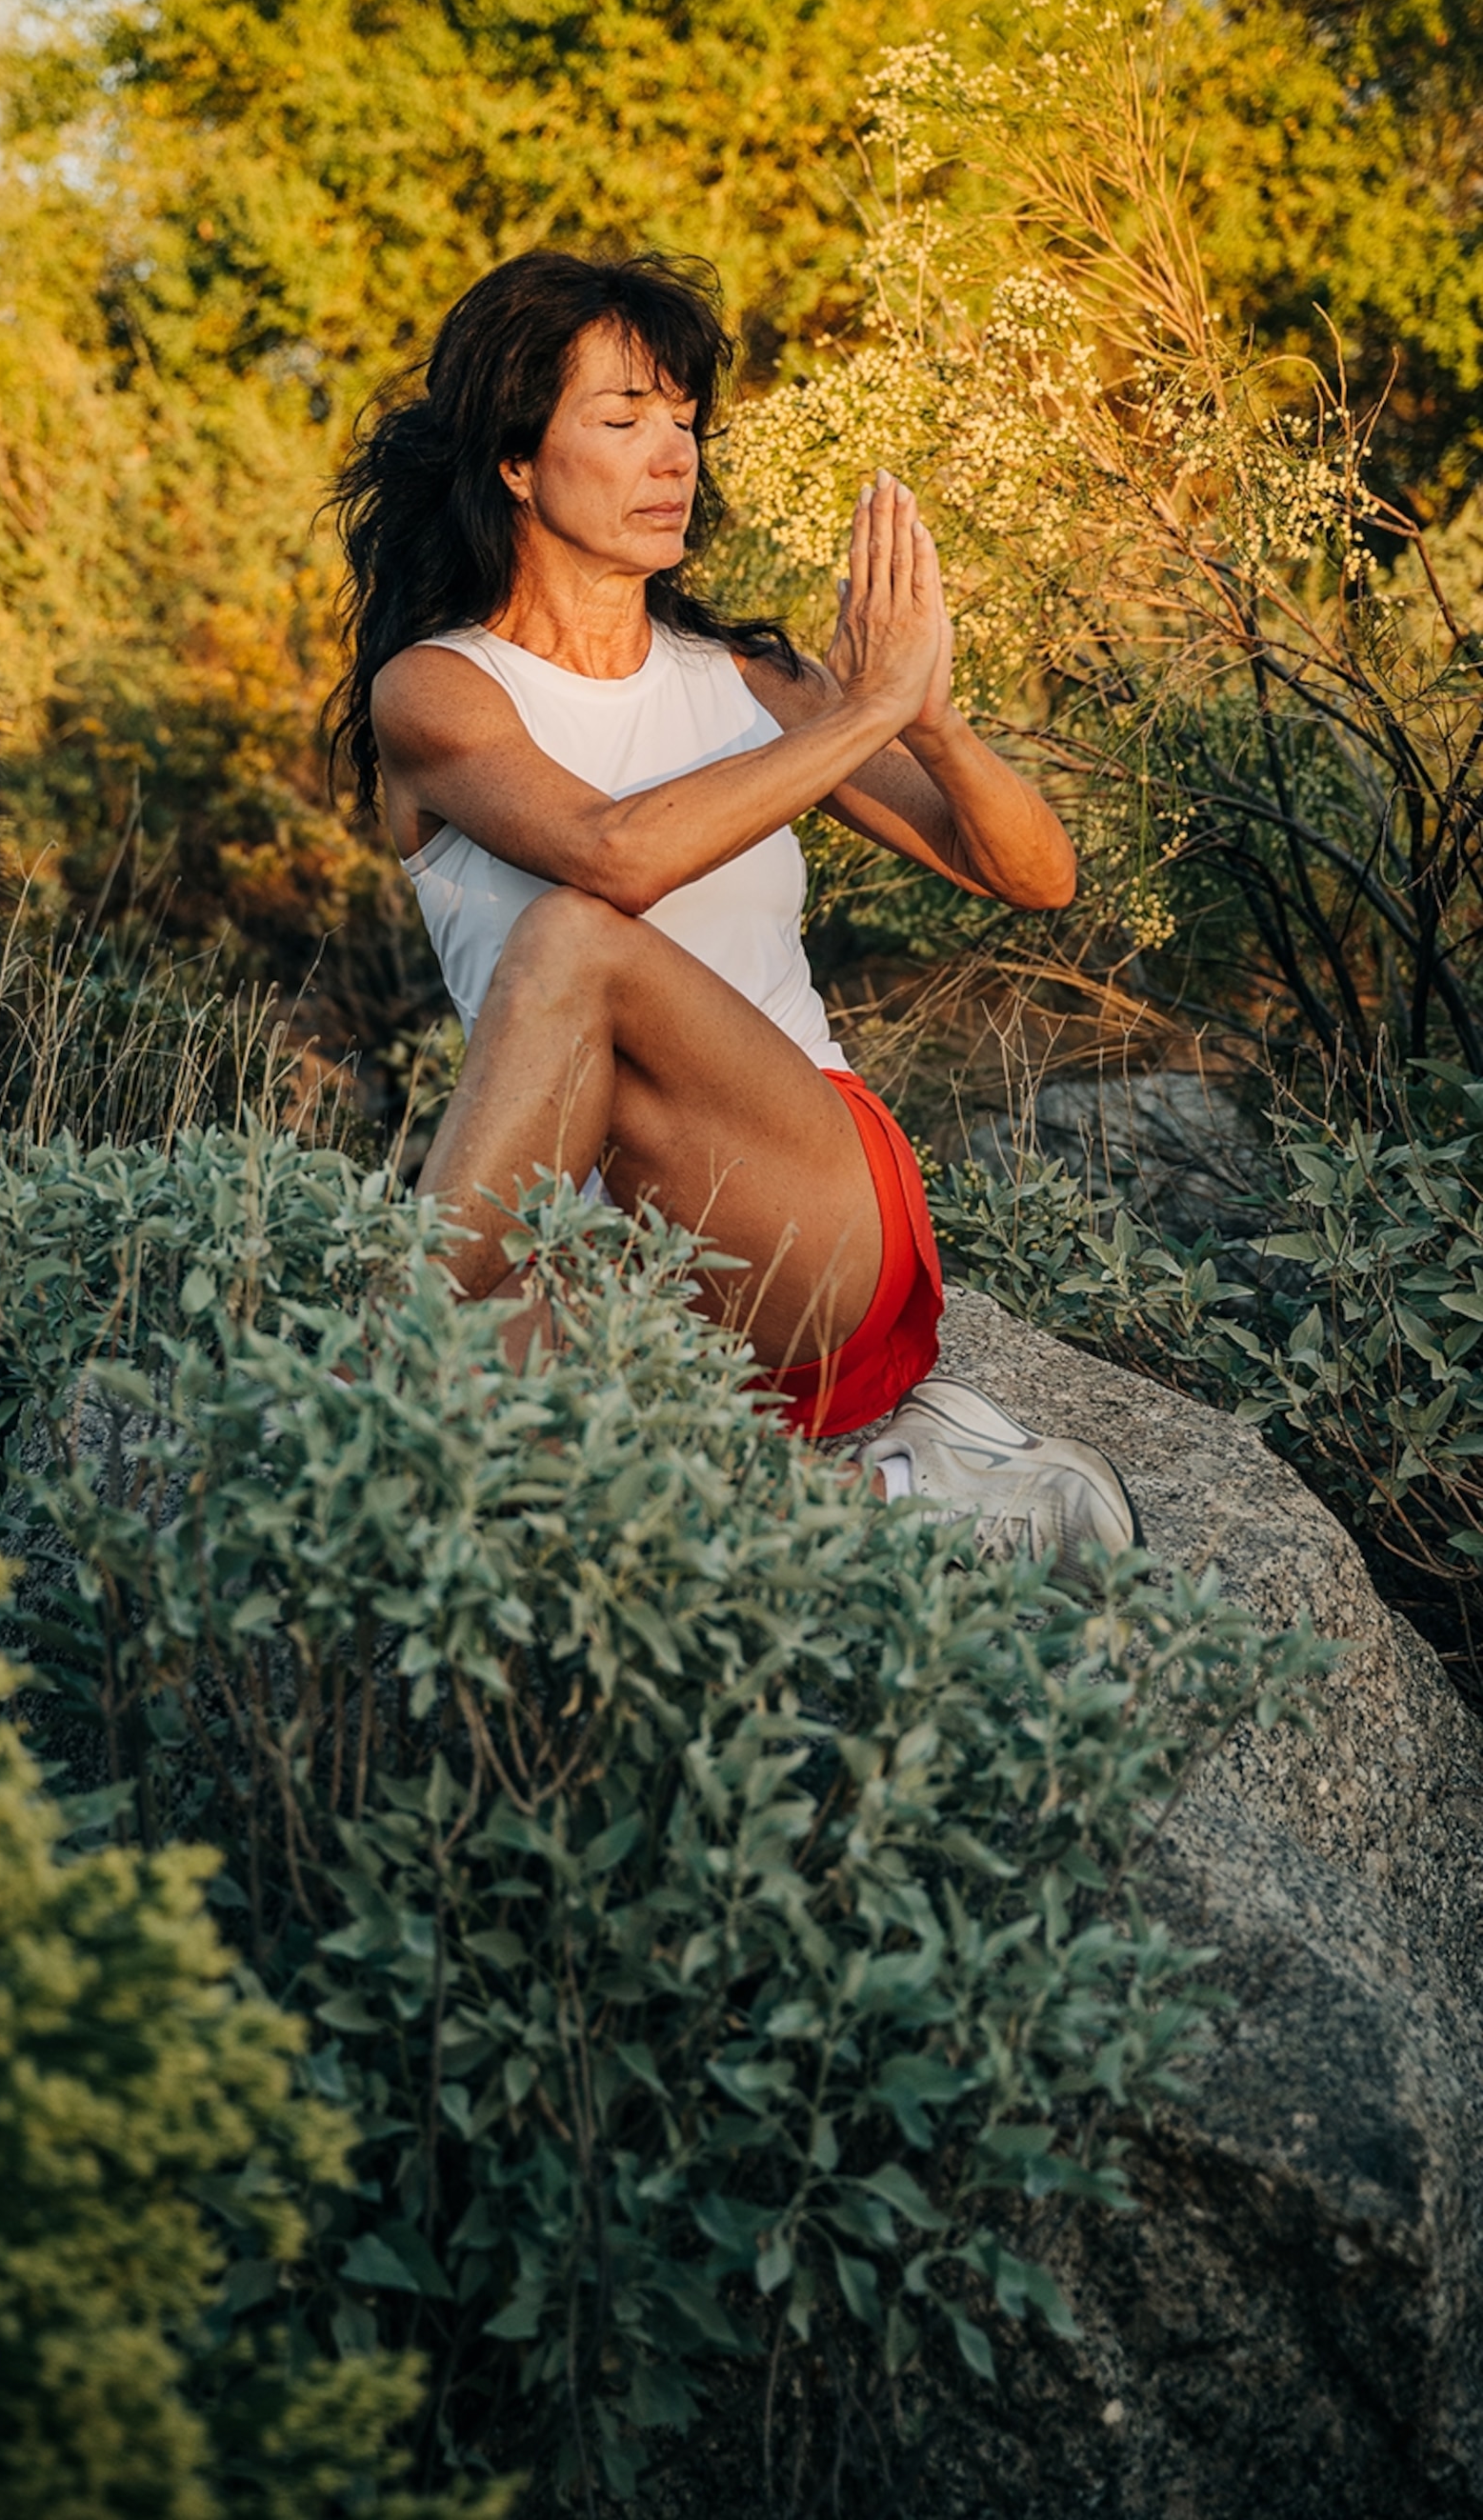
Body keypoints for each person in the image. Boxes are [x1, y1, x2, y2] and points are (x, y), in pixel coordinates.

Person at [330, 249, 1138, 1569]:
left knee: (571, 943)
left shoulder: (745, 681)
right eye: (623, 419)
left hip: (805, 1208)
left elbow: (1037, 876)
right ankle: (905, 1493)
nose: (674, 458)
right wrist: (867, 711)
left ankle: (385, 1337)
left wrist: (926, 723)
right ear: (516, 461)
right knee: (439, 1452)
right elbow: (615, 848)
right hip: (612, 1267)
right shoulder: (439, 693)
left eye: (686, 421)